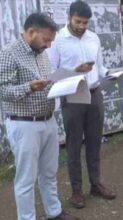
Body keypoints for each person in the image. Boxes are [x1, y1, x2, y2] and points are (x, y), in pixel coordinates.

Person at [0, 13, 78, 220]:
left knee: (49, 173)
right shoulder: (9, 53)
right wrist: (29, 87)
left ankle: (54, 212)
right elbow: (2, 91)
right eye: (46, 40)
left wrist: (63, 83)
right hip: (24, 124)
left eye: (51, 41)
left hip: (48, 120)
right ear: (31, 32)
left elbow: (47, 82)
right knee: (26, 179)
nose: (49, 45)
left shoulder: (41, 53)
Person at [47, 0, 116, 209]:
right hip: (72, 96)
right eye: (78, 21)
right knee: (74, 145)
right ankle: (76, 191)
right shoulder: (58, 40)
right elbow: (52, 74)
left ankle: (95, 184)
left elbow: (101, 67)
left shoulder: (93, 38)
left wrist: (109, 74)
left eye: (85, 22)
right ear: (69, 17)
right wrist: (75, 72)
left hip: (95, 95)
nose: (82, 26)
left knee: (95, 143)